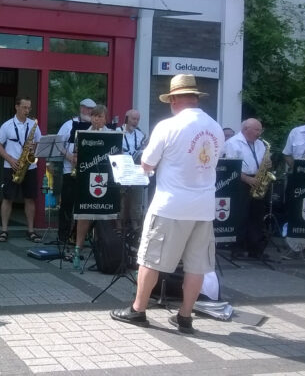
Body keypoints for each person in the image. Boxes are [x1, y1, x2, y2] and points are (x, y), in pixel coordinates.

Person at [111, 74, 223, 334]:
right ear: (195, 98)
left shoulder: (168, 126)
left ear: (173, 99)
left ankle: (138, 310)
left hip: (171, 205)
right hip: (204, 207)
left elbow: (147, 164)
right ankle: (185, 317)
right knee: (197, 266)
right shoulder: (215, 127)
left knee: (150, 259)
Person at [0, 96, 42, 243]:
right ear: (17, 107)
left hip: (29, 166)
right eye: (24, 107)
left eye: (29, 108)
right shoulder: (7, 125)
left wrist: (34, 147)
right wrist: (10, 159)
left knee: (30, 198)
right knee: (8, 198)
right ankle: (4, 230)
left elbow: (40, 143)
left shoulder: (33, 125)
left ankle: (31, 230)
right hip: (11, 165)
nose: (27, 110)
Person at [67, 104, 110, 261]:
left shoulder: (111, 134)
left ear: (106, 119)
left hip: (104, 180)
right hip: (85, 179)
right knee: (83, 214)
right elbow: (76, 156)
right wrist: (76, 160)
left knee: (102, 216)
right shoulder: (83, 134)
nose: (97, 119)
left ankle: (101, 247)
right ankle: (78, 247)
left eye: (100, 116)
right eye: (95, 116)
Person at [223, 118, 269, 259]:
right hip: (240, 181)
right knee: (241, 216)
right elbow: (231, 168)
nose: (259, 133)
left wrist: (267, 164)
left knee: (257, 216)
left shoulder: (260, 144)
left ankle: (256, 249)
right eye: (256, 130)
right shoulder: (232, 143)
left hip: (257, 179)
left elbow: (263, 162)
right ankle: (237, 248)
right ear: (245, 129)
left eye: (260, 130)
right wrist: (247, 179)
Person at [56, 98, 95, 241]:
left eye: (91, 110)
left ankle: (76, 236)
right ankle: (63, 236)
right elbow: (58, 144)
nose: (89, 112)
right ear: (81, 108)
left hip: (87, 172)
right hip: (70, 170)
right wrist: (70, 156)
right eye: (87, 109)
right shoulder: (68, 125)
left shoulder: (93, 126)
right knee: (67, 204)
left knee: (83, 206)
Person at [116, 109, 148, 230]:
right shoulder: (117, 132)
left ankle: (136, 227)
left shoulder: (140, 135)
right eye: (133, 119)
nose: (135, 122)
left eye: (137, 119)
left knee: (137, 199)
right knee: (121, 199)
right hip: (122, 170)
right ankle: (119, 226)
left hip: (136, 170)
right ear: (126, 118)